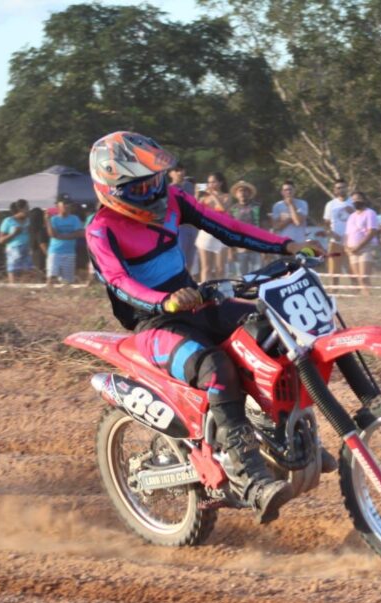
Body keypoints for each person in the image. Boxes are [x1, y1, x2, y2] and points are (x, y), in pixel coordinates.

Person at [85, 131, 323, 523]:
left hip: (196, 303)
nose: (154, 191)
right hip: (154, 323)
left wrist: (285, 246)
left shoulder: (174, 199)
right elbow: (119, 282)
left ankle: (283, 438)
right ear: (113, 189)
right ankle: (249, 477)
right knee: (218, 369)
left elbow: (225, 226)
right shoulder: (101, 230)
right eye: (142, 185)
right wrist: (164, 300)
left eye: (157, 179)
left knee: (269, 331)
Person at [195, 172, 231, 280]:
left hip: (221, 233)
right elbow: (194, 209)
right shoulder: (204, 198)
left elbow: (223, 209)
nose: (210, 184)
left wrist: (213, 195)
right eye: (209, 182)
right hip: (206, 233)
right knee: (206, 268)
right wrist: (196, 194)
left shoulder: (226, 196)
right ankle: (205, 293)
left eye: (213, 182)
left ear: (220, 183)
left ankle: (222, 293)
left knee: (220, 268)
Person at [344, 190, 380, 294]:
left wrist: (359, 246)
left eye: (358, 199)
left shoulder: (370, 213)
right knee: (358, 279)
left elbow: (372, 232)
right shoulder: (351, 217)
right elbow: (347, 234)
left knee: (364, 277)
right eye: (354, 200)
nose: (356, 201)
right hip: (352, 250)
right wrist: (346, 247)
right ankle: (364, 296)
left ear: (364, 200)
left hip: (366, 248)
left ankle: (369, 296)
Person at [168, 165, 198, 277]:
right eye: (176, 170)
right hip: (178, 228)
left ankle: (188, 283)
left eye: (182, 170)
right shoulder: (169, 189)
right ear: (170, 174)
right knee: (180, 258)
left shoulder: (190, 186)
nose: (180, 172)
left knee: (191, 259)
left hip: (192, 227)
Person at [46, 195, 84, 285]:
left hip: (69, 252)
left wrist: (62, 236)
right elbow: (52, 234)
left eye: (68, 204)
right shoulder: (54, 219)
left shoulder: (74, 218)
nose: (67, 206)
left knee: (68, 281)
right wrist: (47, 221)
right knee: (51, 277)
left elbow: (79, 233)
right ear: (58, 205)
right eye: (64, 203)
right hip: (55, 252)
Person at [228, 180, 263, 277]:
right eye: (240, 191)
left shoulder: (257, 207)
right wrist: (230, 250)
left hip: (256, 247)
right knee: (242, 278)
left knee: (259, 277)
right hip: (240, 249)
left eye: (245, 190)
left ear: (249, 193)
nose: (242, 193)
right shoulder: (232, 209)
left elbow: (264, 227)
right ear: (236, 194)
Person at [322, 179, 353, 286]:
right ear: (335, 190)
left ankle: (359, 291)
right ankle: (334, 292)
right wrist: (332, 233)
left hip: (351, 241)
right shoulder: (330, 205)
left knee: (352, 269)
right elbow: (326, 224)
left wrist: (352, 212)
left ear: (347, 188)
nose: (341, 190)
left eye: (343, 187)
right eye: (338, 188)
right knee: (334, 269)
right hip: (335, 241)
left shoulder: (353, 202)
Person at [0, 200, 33, 284]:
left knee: (28, 274)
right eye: (27, 208)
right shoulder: (8, 221)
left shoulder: (28, 221)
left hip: (26, 249)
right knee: (14, 274)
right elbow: (0, 240)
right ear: (21, 209)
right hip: (13, 250)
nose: (28, 210)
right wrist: (13, 234)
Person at [271, 179, 309, 243]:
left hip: (299, 241)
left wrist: (291, 204)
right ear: (282, 192)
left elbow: (298, 222)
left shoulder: (302, 203)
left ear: (294, 190)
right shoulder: (277, 205)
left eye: (290, 189)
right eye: (286, 190)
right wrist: (291, 218)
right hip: (283, 242)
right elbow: (276, 227)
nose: (288, 192)